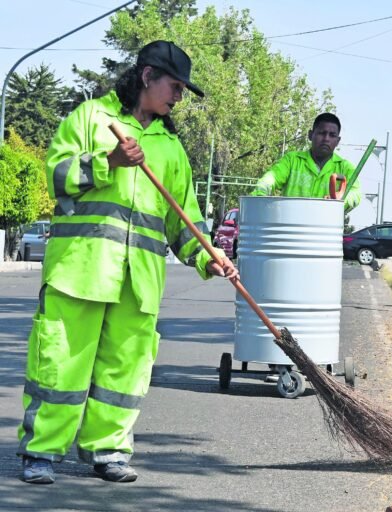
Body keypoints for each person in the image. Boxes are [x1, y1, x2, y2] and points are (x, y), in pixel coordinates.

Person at [17, 40, 239, 484]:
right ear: (147, 76)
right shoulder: (91, 118)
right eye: (175, 86)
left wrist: (206, 257)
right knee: (61, 362)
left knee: (124, 369)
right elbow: (56, 176)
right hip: (81, 270)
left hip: (138, 281)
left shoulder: (170, 147)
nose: (178, 97)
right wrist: (109, 162)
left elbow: (184, 221)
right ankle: (41, 451)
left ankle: (108, 451)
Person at [250, 112, 361, 212]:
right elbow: (270, 179)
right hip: (290, 229)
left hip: (325, 232)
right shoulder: (292, 160)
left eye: (332, 135)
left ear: (337, 141)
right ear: (310, 135)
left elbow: (355, 194)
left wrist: (341, 199)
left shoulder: (345, 168)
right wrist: (260, 195)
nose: (326, 139)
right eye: (322, 133)